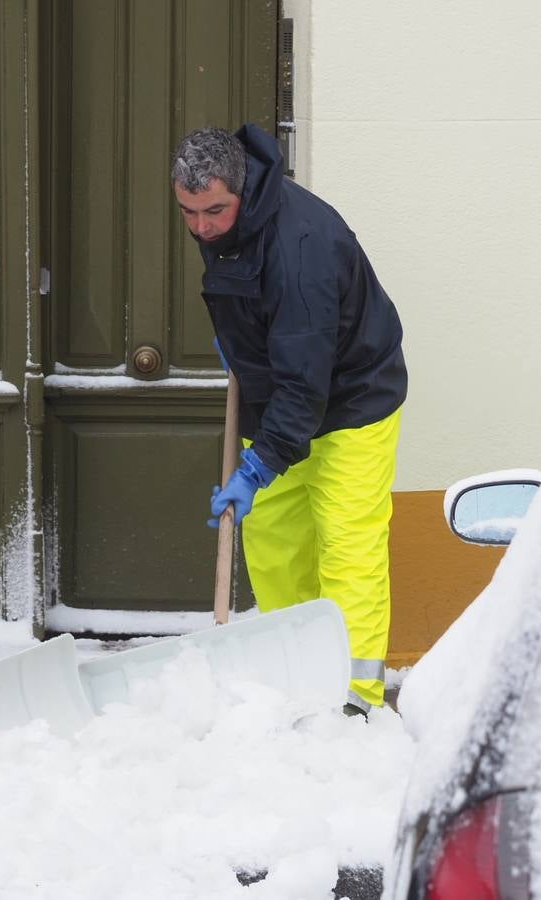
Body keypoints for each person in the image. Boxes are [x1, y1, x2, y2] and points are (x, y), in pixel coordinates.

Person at [172, 124, 407, 716]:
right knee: (277, 550)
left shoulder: (302, 247)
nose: (201, 227)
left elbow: (307, 387)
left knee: (347, 549)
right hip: (278, 394)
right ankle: (298, 682)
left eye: (214, 211)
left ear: (244, 190)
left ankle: (353, 701)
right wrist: (240, 349)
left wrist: (255, 469)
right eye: (188, 212)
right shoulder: (224, 218)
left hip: (352, 402)